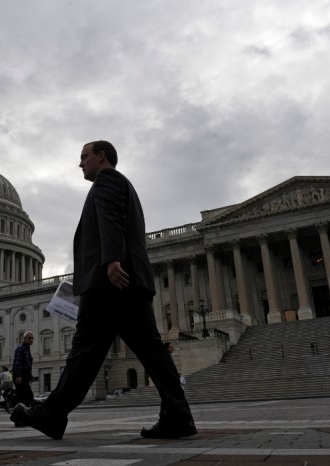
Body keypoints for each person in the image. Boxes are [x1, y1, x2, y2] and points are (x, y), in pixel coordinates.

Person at [11, 140, 197, 440]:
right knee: (151, 352)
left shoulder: (107, 181)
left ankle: (52, 414)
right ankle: (178, 415)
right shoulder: (125, 185)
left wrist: (111, 260)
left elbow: (111, 220)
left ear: (101, 156)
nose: (80, 163)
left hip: (109, 282)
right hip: (130, 283)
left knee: (84, 352)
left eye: (84, 157)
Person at [12, 331, 35, 412]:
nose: (31, 340)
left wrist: (30, 376)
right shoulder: (20, 348)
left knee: (27, 396)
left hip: (24, 375)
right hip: (20, 374)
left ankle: (23, 416)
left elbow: (28, 364)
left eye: (32, 338)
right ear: (24, 338)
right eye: (29, 338)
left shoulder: (27, 349)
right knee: (23, 397)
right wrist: (18, 376)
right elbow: (17, 363)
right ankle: (19, 418)